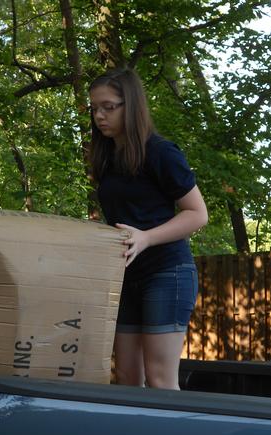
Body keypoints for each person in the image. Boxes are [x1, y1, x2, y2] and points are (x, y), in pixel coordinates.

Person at [88, 68, 208, 390]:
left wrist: (146, 237)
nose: (99, 115)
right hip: (125, 276)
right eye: (94, 108)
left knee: (159, 379)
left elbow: (197, 214)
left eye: (108, 107)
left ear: (132, 106)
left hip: (166, 273)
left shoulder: (161, 152)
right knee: (127, 378)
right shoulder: (107, 157)